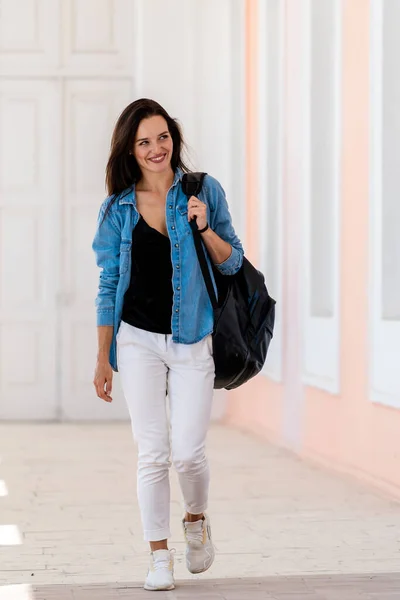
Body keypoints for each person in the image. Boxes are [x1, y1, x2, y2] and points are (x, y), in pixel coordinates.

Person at [92, 98, 243, 591]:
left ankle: (196, 519)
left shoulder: (203, 191)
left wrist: (204, 229)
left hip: (193, 337)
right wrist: (103, 356)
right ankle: (159, 556)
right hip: (137, 341)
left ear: (173, 138)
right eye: (143, 142)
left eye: (162, 137)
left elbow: (233, 262)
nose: (156, 149)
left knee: (188, 454)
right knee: (152, 453)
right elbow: (109, 283)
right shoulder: (117, 209)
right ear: (130, 151)